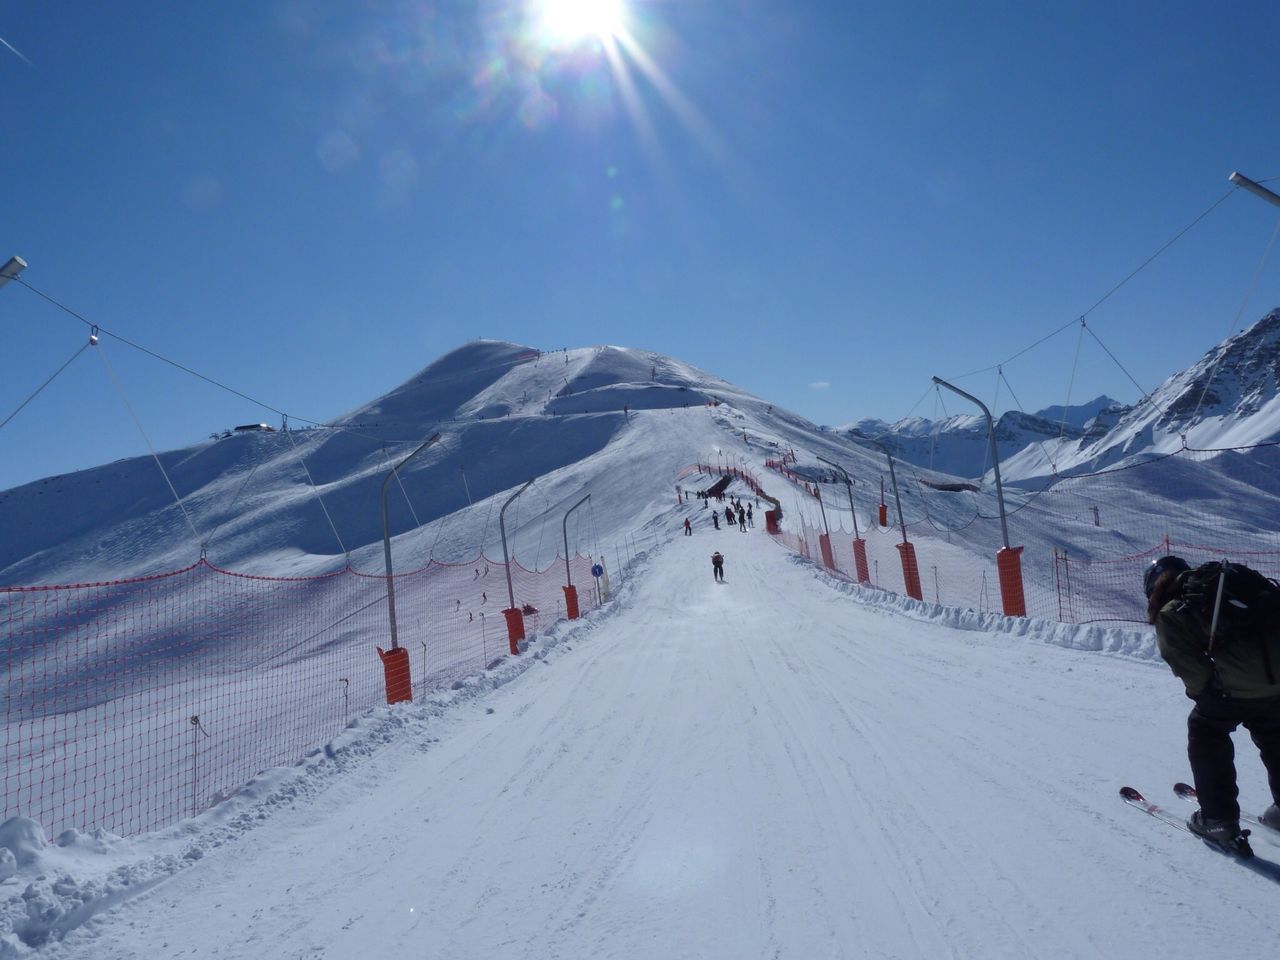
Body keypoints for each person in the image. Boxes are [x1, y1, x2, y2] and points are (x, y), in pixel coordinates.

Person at [1146, 555, 1280, 856]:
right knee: (1274, 730)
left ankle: (1218, 820)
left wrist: (1214, 695)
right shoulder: (1228, 590)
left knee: (1206, 729)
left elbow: (1193, 674)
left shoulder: (1175, 610)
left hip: (1239, 686)